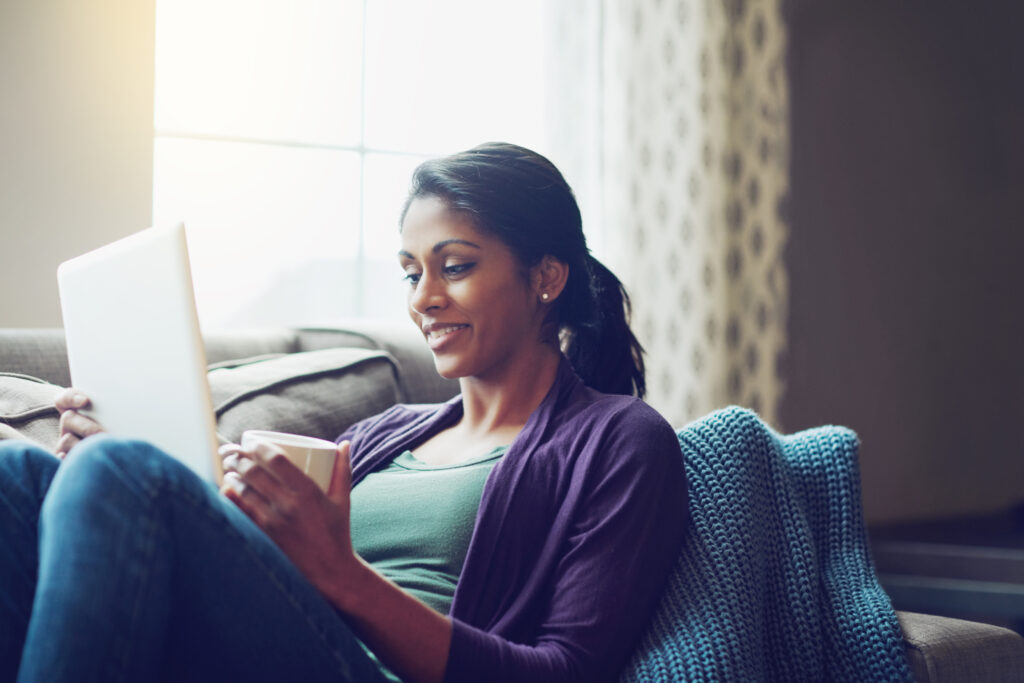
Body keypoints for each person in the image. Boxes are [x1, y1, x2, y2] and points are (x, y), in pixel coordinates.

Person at [0, 142, 687, 683]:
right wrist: (106, 490)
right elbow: (266, 577)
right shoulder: (379, 434)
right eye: (412, 272)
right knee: (19, 475)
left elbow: (564, 671)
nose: (423, 298)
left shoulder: (619, 440)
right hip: (277, 643)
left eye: (455, 266)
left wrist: (340, 572)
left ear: (546, 276)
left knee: (121, 473)